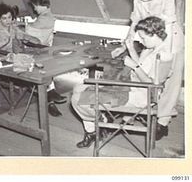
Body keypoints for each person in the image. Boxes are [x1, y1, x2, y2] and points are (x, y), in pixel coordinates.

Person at [71, 16, 174, 148]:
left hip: (140, 94)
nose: (141, 41)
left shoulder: (164, 55)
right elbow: (142, 64)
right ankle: (97, 123)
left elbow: (153, 85)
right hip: (131, 84)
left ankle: (97, 125)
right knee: (78, 88)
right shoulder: (152, 48)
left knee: (78, 100)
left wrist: (134, 67)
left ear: (154, 35)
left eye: (143, 38)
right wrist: (130, 49)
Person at [111, 0, 184, 134]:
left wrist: (168, 55)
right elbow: (134, 24)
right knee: (141, 69)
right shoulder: (138, 0)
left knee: (171, 81)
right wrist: (124, 46)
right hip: (151, 39)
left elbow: (170, 26)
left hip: (171, 39)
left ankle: (163, 122)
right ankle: (130, 114)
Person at [27, 0, 67, 117]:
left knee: (41, 68)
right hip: (43, 50)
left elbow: (30, 32)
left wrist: (24, 27)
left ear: (40, 5)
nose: (34, 9)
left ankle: (50, 98)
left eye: (35, 6)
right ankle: (51, 95)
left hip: (37, 51)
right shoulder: (48, 16)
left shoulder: (45, 18)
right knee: (46, 67)